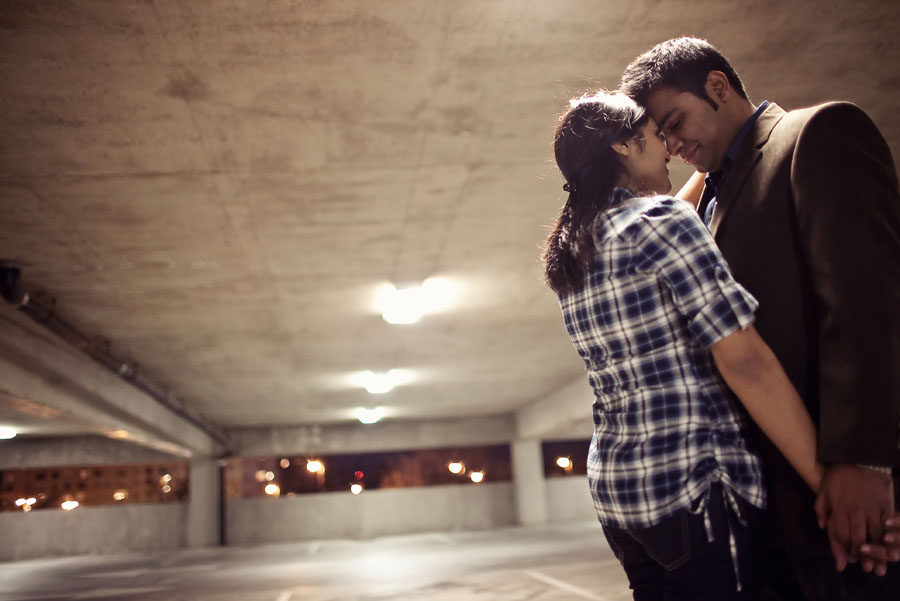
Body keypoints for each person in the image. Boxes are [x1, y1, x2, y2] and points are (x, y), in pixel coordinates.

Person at [619, 37, 900, 600]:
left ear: (718, 87)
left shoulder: (815, 135)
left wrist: (861, 460)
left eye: (676, 121)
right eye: (662, 136)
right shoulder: (701, 203)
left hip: (848, 486)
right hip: (770, 508)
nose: (673, 145)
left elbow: (867, 304)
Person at [544, 90, 823, 600]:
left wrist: (710, 167)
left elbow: (666, 217)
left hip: (621, 497)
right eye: (656, 135)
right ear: (624, 147)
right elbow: (745, 362)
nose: (670, 148)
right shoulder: (660, 226)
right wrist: (826, 484)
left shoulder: (579, 251)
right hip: (692, 488)